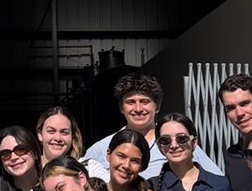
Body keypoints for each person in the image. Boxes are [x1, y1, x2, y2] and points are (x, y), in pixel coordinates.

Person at [83, 72, 219, 181]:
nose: (138, 108)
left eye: (144, 101)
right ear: (121, 108)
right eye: (130, 102)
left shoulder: (178, 143)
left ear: (157, 106)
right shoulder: (101, 149)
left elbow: (217, 179)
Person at [34, 106, 83, 171]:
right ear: (40, 135)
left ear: (72, 136)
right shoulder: (30, 169)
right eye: (51, 131)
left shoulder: (87, 167)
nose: (58, 138)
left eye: (64, 132)